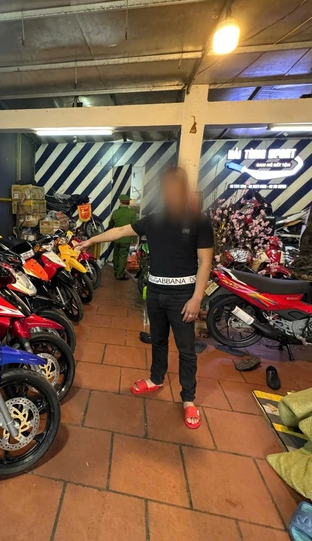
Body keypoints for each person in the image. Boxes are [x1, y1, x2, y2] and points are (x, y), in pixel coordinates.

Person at [75, 166, 214, 429]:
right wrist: (90, 241)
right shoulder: (154, 220)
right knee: (158, 341)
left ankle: (188, 399)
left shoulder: (199, 221)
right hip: (156, 293)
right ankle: (156, 379)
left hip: (183, 296)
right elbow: (119, 232)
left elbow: (205, 262)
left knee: (186, 350)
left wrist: (197, 298)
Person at [108, 194, 137, 280]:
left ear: (120, 202)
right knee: (122, 257)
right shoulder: (132, 213)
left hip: (116, 237)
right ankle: (119, 275)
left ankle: (116, 271)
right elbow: (134, 227)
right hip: (126, 238)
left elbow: (111, 225)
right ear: (128, 203)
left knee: (116, 255)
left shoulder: (115, 212)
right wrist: (134, 239)